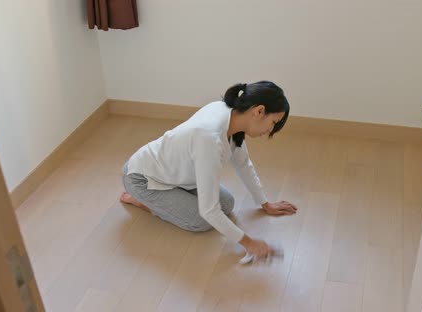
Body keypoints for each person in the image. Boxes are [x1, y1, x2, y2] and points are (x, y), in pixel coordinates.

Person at [120, 81, 298, 260]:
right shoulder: (210, 138)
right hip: (143, 178)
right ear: (259, 111)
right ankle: (142, 201)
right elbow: (209, 211)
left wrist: (265, 203)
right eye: (273, 122)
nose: (270, 130)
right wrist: (250, 244)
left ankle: (170, 197)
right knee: (201, 221)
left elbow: (243, 163)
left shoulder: (230, 116)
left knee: (227, 203)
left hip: (177, 174)